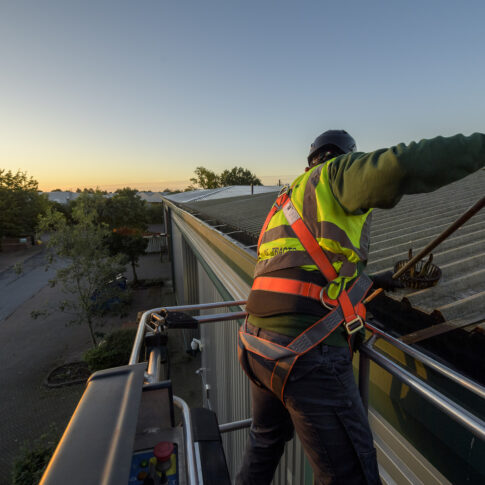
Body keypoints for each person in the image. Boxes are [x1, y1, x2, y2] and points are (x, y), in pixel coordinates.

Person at [236, 130, 485, 485]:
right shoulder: (336, 175)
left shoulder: (284, 203)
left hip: (255, 343)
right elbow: (402, 164)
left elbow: (306, 271)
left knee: (264, 443)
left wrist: (374, 280)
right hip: (305, 352)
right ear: (343, 155)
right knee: (350, 474)